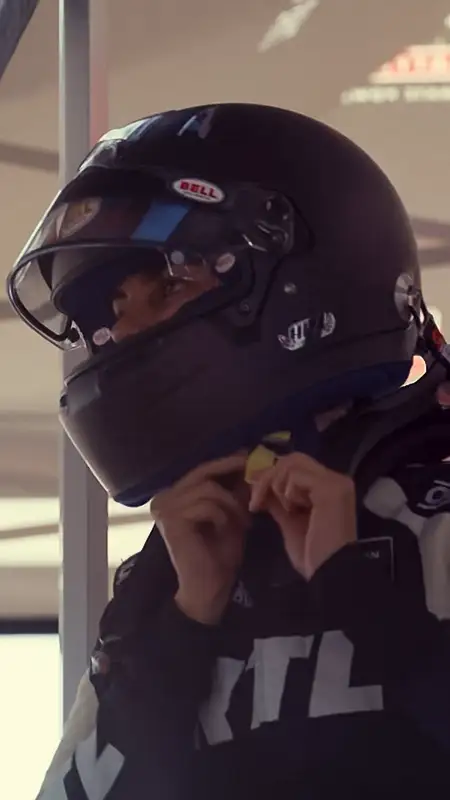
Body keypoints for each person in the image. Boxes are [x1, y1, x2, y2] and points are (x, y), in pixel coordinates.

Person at [8, 103, 450, 799]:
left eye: (166, 285)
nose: (120, 336)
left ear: (299, 277)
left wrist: (361, 597)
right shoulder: (166, 579)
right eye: (109, 314)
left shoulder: (435, 530)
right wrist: (181, 630)